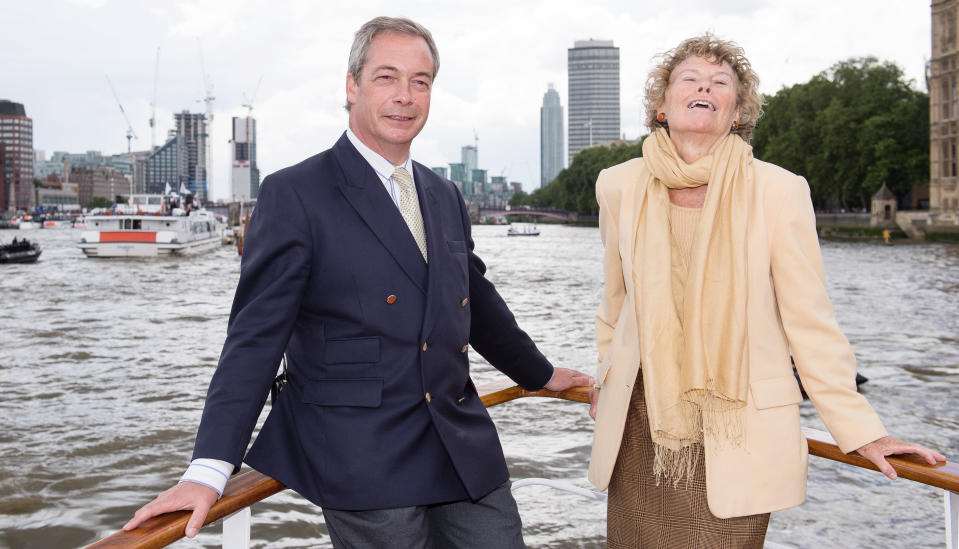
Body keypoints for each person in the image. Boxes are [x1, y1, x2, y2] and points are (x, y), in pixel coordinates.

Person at [123, 16, 592, 548]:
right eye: (387, 78)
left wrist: (541, 372)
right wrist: (208, 470)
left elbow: (476, 302)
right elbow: (254, 341)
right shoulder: (296, 193)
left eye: (421, 81)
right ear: (352, 86)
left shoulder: (444, 195)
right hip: (361, 452)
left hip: (459, 442)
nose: (405, 97)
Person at [586, 33, 944, 548]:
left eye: (719, 82)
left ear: (737, 112)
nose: (703, 86)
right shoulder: (618, 185)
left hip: (739, 427)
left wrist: (864, 431)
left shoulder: (779, 190)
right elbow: (616, 303)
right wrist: (605, 373)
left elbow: (810, 321)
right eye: (689, 78)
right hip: (643, 425)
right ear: (662, 105)